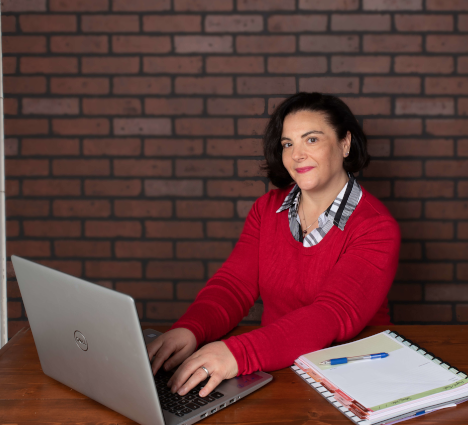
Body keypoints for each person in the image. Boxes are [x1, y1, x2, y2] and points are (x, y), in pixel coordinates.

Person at [147, 92, 401, 399]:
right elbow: (234, 286)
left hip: (353, 380)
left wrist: (237, 354)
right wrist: (190, 329)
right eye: (287, 144)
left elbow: (330, 315)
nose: (296, 155)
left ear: (345, 143)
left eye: (311, 140)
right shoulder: (266, 210)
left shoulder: (376, 227)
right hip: (278, 369)